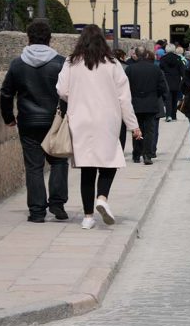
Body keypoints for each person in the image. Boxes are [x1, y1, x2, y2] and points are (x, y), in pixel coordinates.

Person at [56, 25, 141, 229]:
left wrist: (76, 97)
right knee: (110, 161)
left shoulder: (71, 62)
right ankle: (102, 197)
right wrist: (133, 126)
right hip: (107, 119)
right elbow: (124, 98)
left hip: (81, 120)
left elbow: (62, 90)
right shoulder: (112, 63)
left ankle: (87, 217)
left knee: (87, 167)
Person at [0, 20, 69, 223]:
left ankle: (37, 211)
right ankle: (57, 204)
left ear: (28, 38)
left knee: (34, 166)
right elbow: (68, 92)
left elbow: (5, 93)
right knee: (58, 161)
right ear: (49, 38)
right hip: (54, 120)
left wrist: (9, 117)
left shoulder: (17, 63)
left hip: (28, 121)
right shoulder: (60, 62)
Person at [125, 46, 168, 165]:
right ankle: (147, 154)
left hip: (135, 102)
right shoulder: (155, 69)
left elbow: (125, 87)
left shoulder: (130, 69)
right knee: (149, 131)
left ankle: (136, 154)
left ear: (137, 55)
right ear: (146, 55)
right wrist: (155, 96)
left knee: (136, 129)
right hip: (151, 102)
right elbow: (162, 87)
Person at [158, 43, 184, 122]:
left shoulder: (163, 59)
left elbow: (160, 69)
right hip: (176, 81)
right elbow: (182, 71)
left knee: (168, 99)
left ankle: (168, 115)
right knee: (175, 99)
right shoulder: (178, 58)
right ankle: (174, 115)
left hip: (166, 81)